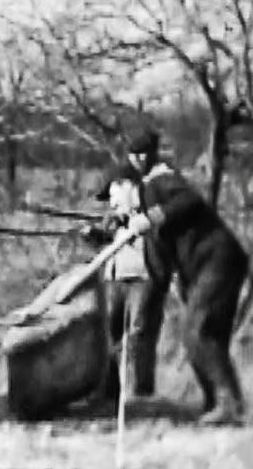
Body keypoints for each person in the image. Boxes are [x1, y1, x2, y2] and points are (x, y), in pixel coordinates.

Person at [118, 126, 247, 424]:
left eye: (142, 153)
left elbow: (190, 201)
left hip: (217, 259)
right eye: (133, 154)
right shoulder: (147, 194)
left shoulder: (162, 180)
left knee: (198, 330)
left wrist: (152, 218)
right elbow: (159, 255)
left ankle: (230, 404)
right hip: (208, 266)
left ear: (149, 155)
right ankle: (216, 402)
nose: (138, 159)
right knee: (199, 335)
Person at [87, 158, 166, 400]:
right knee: (109, 335)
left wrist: (137, 221)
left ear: (128, 186)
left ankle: (142, 393)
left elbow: (162, 232)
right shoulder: (114, 219)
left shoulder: (154, 210)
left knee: (138, 334)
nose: (111, 204)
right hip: (115, 281)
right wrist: (95, 235)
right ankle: (109, 390)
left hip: (144, 280)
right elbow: (107, 241)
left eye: (114, 197)